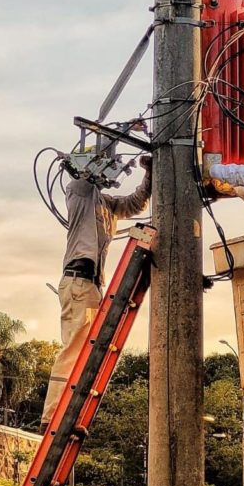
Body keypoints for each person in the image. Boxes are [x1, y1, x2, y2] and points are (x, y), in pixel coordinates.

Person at [40, 156, 152, 432]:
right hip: (78, 281)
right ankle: (52, 416)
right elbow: (82, 180)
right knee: (74, 351)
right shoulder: (79, 195)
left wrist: (149, 172)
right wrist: (101, 152)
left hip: (90, 286)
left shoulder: (107, 205)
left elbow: (136, 202)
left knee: (85, 355)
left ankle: (68, 415)